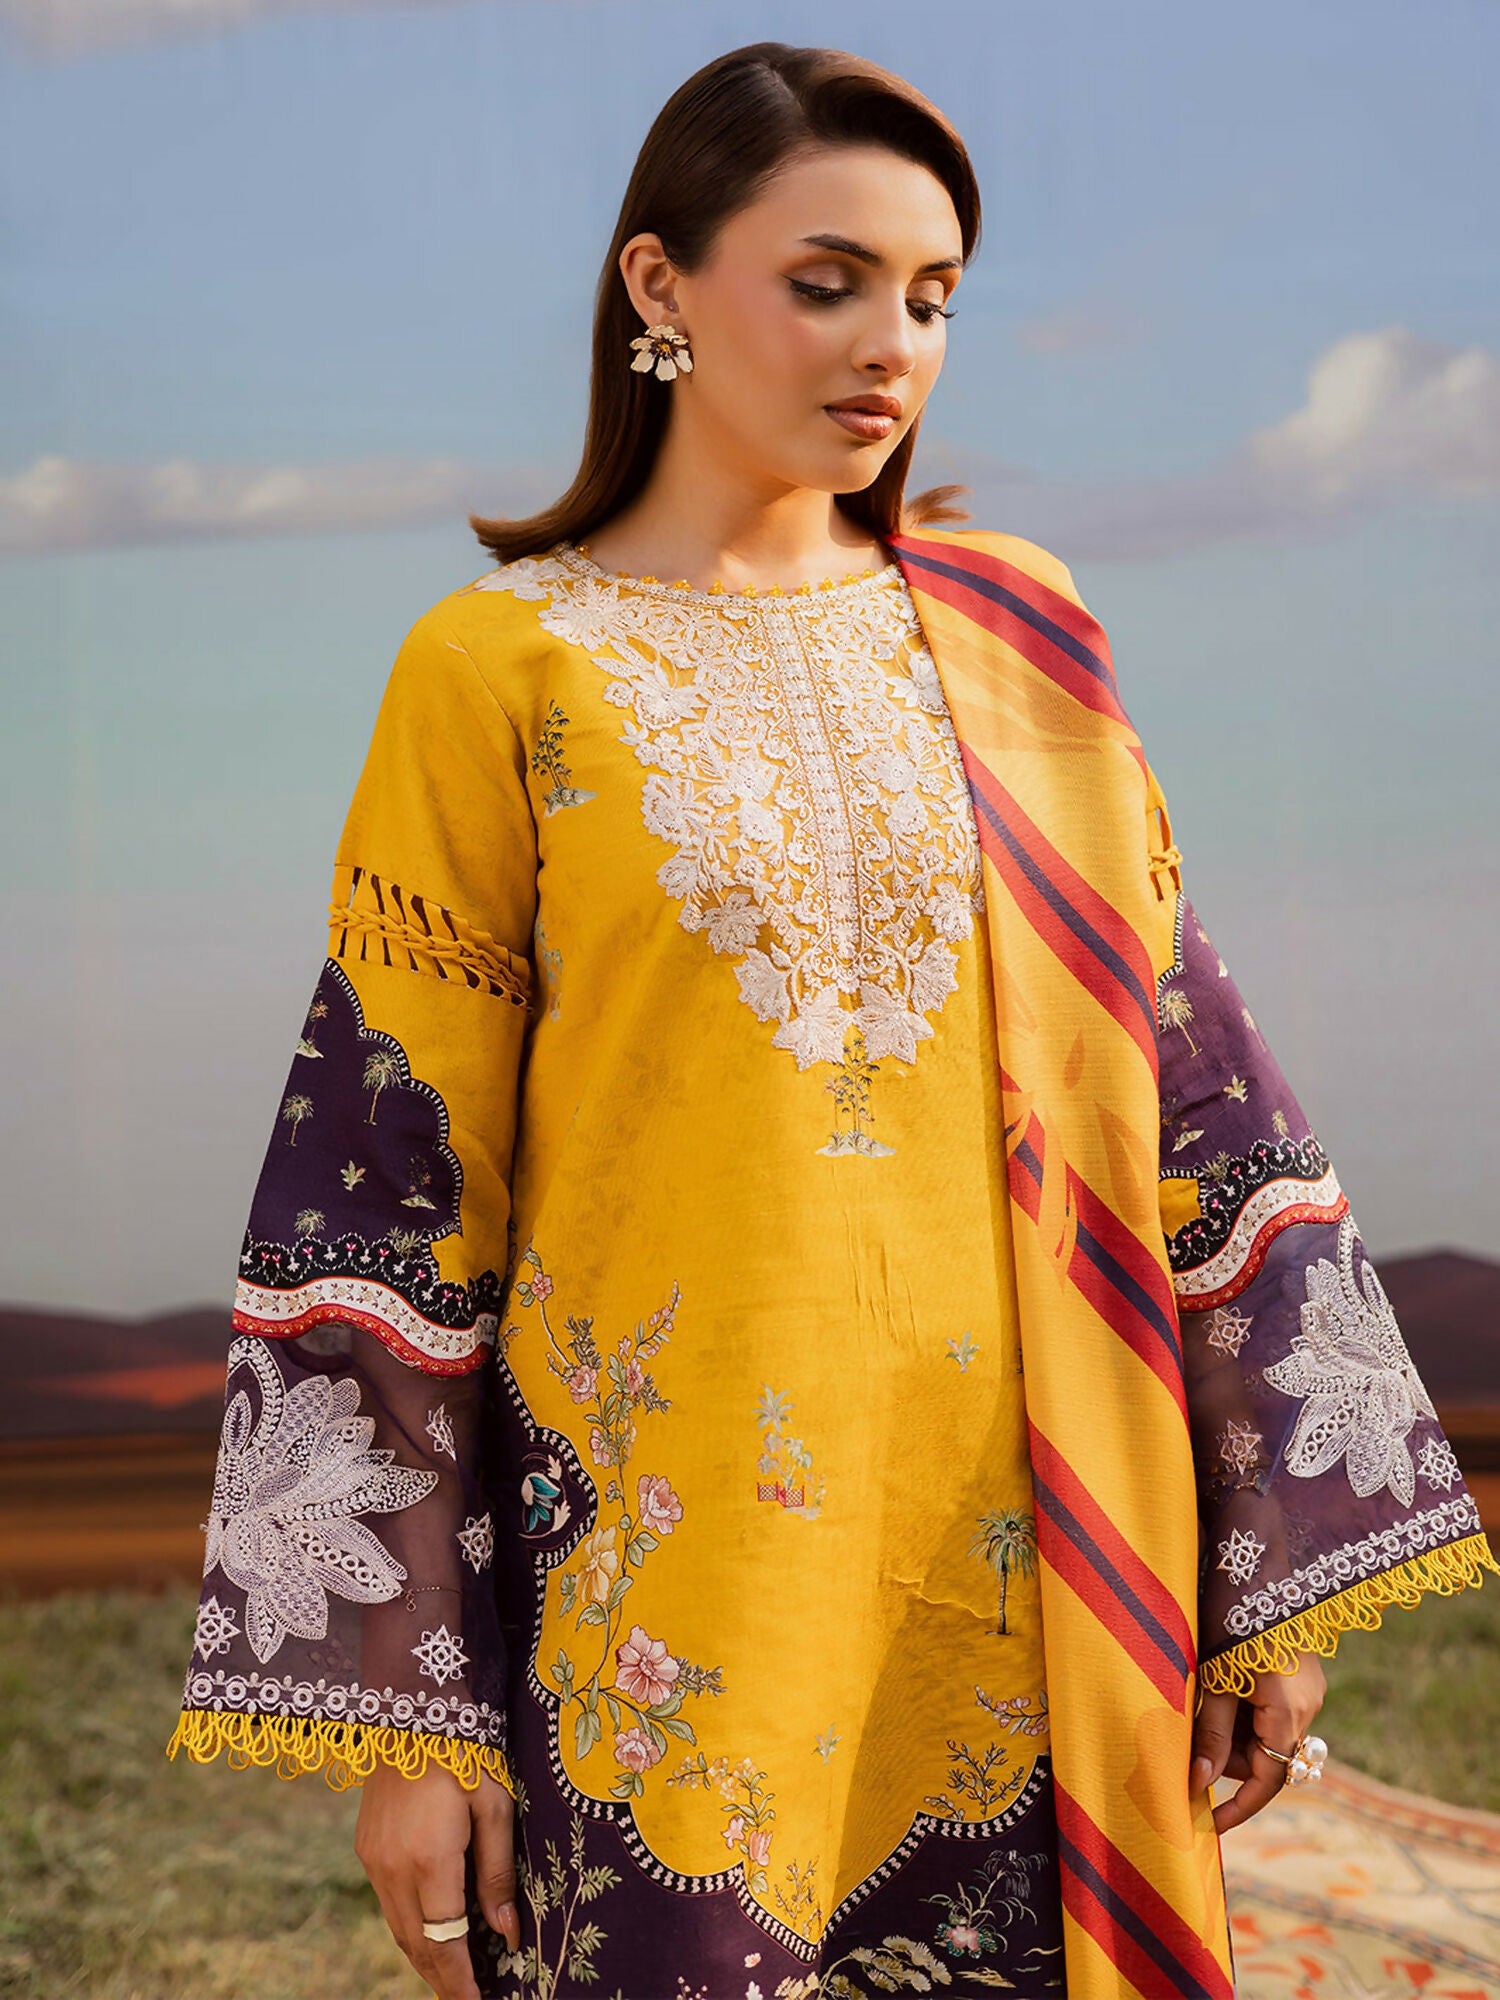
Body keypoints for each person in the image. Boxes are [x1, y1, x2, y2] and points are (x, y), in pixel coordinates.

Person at [165, 40, 1498, 2000]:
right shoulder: (498, 671)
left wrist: (1255, 1586)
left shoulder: (1018, 631)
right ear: (659, 285)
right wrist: (412, 1726)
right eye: (828, 280)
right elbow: (384, 1199)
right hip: (668, 1603)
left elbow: (1197, 1099)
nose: (894, 346)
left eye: (934, 296)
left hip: (1047, 1554)